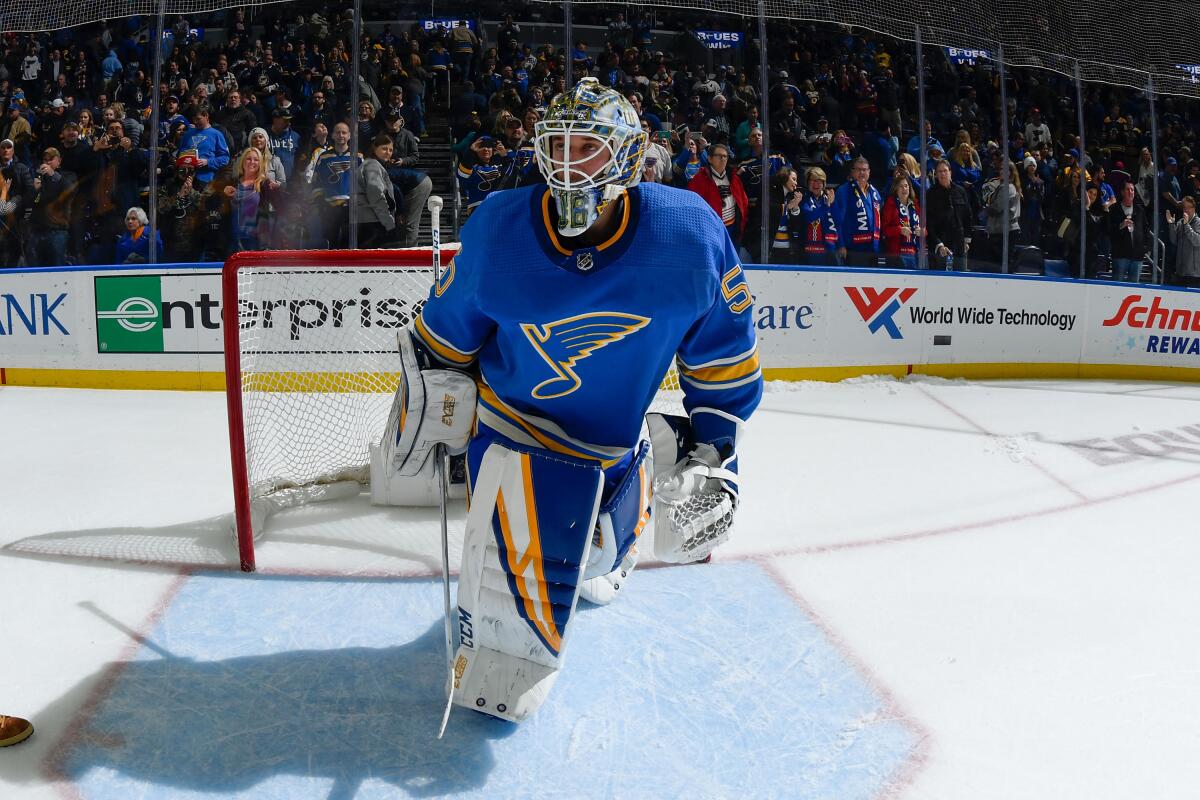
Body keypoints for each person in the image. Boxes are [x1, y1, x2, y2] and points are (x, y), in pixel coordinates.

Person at [384, 77, 760, 724]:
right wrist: (423, 411)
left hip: (612, 435)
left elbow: (722, 354)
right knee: (512, 635)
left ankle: (645, 469)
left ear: (628, 156)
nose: (567, 162)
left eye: (587, 147)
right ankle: (554, 554)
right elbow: (441, 342)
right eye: (557, 145)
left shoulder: (688, 233)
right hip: (512, 431)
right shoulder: (500, 227)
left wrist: (716, 448)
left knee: (599, 563)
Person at [687, 143, 748, 249]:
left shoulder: (734, 177)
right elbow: (693, 207)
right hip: (711, 230)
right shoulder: (699, 179)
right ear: (710, 159)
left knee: (732, 262)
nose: (723, 159)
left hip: (733, 227)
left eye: (725, 156)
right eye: (719, 156)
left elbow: (743, 201)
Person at [832, 157, 883, 267]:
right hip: (853, 247)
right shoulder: (844, 190)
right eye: (858, 169)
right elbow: (838, 220)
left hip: (873, 247)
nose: (862, 173)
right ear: (852, 171)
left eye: (865, 170)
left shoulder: (874, 192)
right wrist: (841, 245)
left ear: (869, 172)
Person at [785, 166, 838, 265]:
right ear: (807, 182)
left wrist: (833, 204)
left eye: (819, 181)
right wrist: (827, 206)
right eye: (813, 180)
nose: (816, 184)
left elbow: (839, 221)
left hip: (830, 250)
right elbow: (811, 217)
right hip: (809, 251)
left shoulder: (830, 197)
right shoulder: (803, 199)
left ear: (824, 183)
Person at [926, 159, 972, 270]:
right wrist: (939, 244)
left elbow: (968, 216)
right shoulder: (930, 194)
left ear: (950, 172)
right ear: (936, 174)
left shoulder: (960, 191)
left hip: (959, 246)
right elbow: (929, 223)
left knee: (960, 281)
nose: (943, 174)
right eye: (939, 171)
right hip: (940, 248)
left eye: (945, 171)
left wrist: (966, 240)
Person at [356, 133, 401, 248]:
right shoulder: (372, 165)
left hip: (372, 221)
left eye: (391, 150)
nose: (388, 152)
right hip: (372, 223)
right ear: (375, 148)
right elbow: (376, 195)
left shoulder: (375, 165)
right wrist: (389, 224)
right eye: (384, 148)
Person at [1108, 180, 1150, 282]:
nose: (1131, 192)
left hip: (1137, 256)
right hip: (1120, 255)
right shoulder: (1114, 209)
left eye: (1132, 190)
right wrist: (1121, 225)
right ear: (1122, 192)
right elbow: (1109, 230)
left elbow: (1146, 230)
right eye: (1128, 189)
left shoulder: (1139, 209)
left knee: (1134, 286)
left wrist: (1144, 248)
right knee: (1117, 285)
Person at [881, 169, 922, 269]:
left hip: (914, 254)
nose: (904, 189)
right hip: (896, 255)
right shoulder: (890, 204)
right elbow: (884, 230)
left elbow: (924, 229)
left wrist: (922, 231)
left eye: (906, 186)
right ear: (896, 189)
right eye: (901, 186)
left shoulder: (915, 205)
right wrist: (900, 230)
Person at [1166, 196, 1200, 288]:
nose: (1186, 210)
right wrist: (1171, 224)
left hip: (1194, 275)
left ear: (1194, 208)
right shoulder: (1180, 222)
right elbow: (1174, 240)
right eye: (1184, 207)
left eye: (1189, 207)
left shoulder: (1198, 223)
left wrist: (1187, 225)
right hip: (1181, 272)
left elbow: (1197, 241)